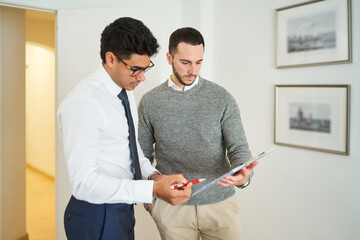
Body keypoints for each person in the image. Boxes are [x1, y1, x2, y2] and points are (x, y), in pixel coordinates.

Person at [57, 17, 192, 240]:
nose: (142, 77)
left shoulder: (125, 90)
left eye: (146, 67)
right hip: (95, 215)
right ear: (110, 58)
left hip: (122, 209)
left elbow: (131, 149)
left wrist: (154, 177)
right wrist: (152, 191)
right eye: (135, 69)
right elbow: (84, 184)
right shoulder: (83, 102)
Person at [138, 27, 258, 240]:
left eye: (199, 62)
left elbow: (239, 148)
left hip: (220, 206)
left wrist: (242, 175)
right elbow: (141, 156)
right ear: (169, 58)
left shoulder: (222, 98)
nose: (193, 70)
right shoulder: (150, 102)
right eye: (185, 62)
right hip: (172, 209)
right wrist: (151, 203)